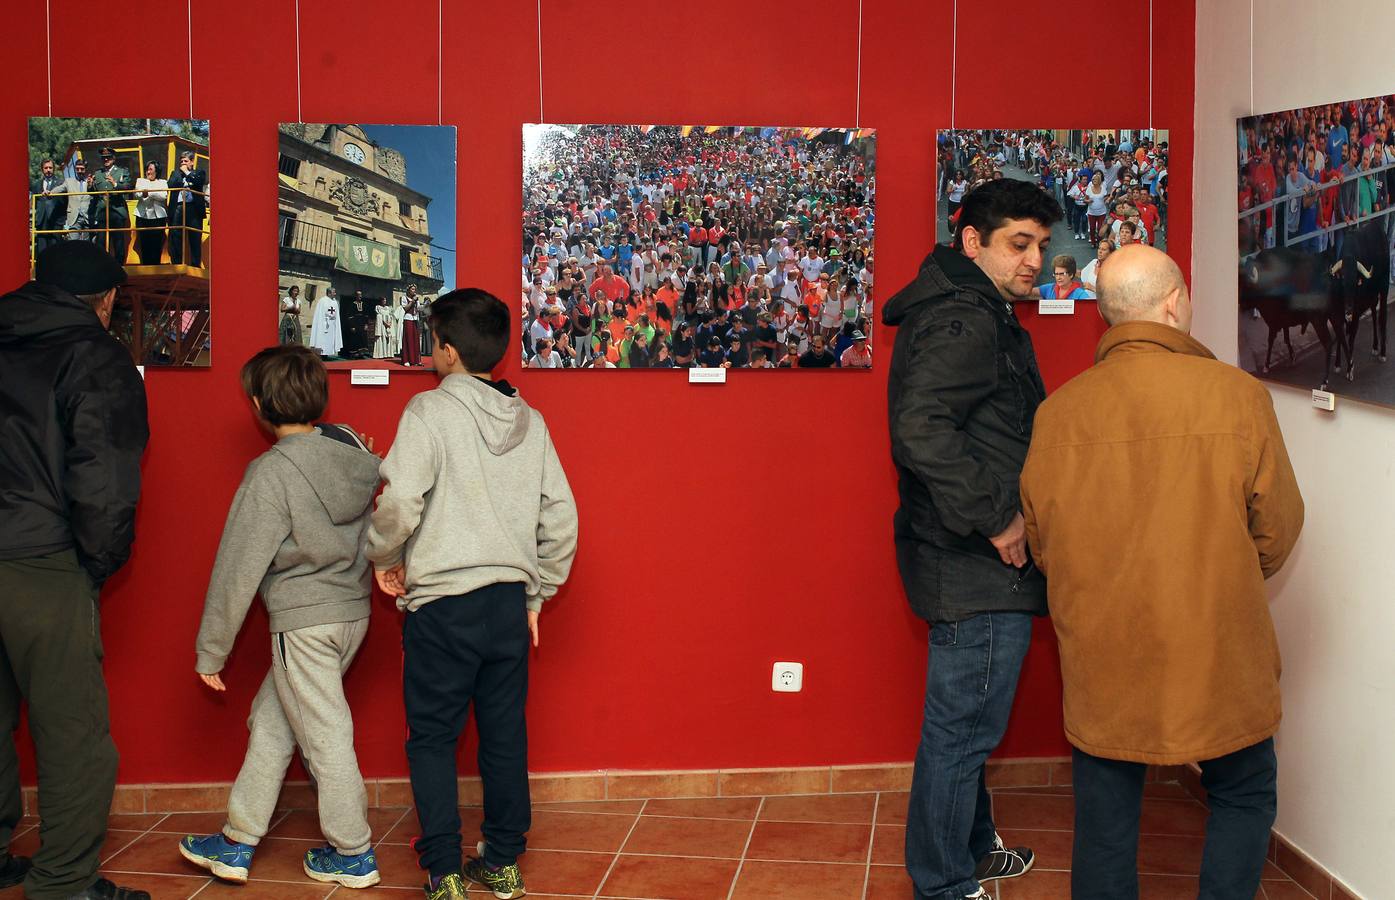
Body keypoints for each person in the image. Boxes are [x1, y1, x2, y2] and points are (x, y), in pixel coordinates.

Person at [1019, 245, 1304, 900]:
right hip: (1215, 641)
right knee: (1242, 792)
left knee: (1104, 816)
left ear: (1108, 318)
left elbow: (1042, 541)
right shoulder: (1235, 396)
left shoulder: (1058, 412)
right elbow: (1277, 527)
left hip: (1105, 645)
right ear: (1174, 302)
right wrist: (1218, 574)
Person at [367, 289, 578, 900]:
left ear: (449, 351)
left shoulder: (429, 412)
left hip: (443, 605)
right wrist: (540, 593)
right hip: (508, 605)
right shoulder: (531, 421)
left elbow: (401, 500)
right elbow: (561, 517)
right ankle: (504, 860)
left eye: (433, 341)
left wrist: (383, 557)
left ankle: (444, 872)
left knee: (432, 737)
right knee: (505, 734)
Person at [883, 179, 1061, 900]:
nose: (1034, 261)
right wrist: (998, 517)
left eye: (1042, 246)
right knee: (961, 732)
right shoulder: (965, 319)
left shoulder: (971, 308)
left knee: (969, 725)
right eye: (1019, 244)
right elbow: (920, 430)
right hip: (974, 557)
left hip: (964, 554)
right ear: (971, 242)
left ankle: (969, 850)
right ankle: (944, 883)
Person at [179, 346, 382, 889]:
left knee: (326, 738)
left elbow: (237, 568)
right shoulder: (353, 452)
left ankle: (354, 851)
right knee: (273, 723)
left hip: (303, 623)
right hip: (349, 618)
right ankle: (238, 840)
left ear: (256, 405)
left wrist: (211, 650)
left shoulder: (271, 474)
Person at [0, 241, 151, 900]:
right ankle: (63, 883)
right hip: (41, 561)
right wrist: (96, 562)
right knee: (72, 731)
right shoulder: (95, 355)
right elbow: (106, 475)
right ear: (108, 298)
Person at [88, 148, 132, 264]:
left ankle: (119, 267)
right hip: (102, 212)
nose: (106, 159)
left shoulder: (122, 171)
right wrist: (90, 186)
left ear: (114, 158)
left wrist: (115, 184)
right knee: (100, 242)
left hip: (117, 211)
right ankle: (102, 267)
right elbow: (94, 192)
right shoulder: (97, 173)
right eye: (103, 158)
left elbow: (128, 187)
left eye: (108, 157)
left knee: (118, 242)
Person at [167, 149, 208, 267]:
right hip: (178, 208)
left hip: (194, 209)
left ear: (191, 162)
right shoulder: (175, 173)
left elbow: (199, 181)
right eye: (181, 161)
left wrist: (188, 173)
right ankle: (177, 264)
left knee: (195, 238)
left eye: (185, 161)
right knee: (176, 237)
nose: (183, 164)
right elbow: (170, 184)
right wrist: (182, 174)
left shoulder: (199, 172)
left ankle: (196, 265)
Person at [132, 162, 168, 265]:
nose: (148, 172)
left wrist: (149, 192)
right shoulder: (140, 181)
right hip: (142, 217)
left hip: (158, 217)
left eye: (151, 169)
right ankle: (146, 265)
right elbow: (137, 194)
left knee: (156, 243)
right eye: (147, 169)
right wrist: (145, 193)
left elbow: (163, 196)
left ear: (157, 171)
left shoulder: (162, 182)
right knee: (144, 243)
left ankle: (156, 265)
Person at [31, 158, 68, 255]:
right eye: (46, 168)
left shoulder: (61, 183)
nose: (48, 170)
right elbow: (34, 204)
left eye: (50, 168)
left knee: (55, 252)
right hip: (41, 223)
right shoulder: (36, 185)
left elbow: (65, 202)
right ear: (42, 169)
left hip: (56, 222)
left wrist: (64, 222)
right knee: (42, 252)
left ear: (54, 169)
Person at [64, 158, 94, 240]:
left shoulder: (91, 182)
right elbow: (59, 189)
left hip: (87, 217)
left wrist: (91, 185)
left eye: (82, 169)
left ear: (86, 169)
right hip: (74, 218)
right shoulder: (69, 182)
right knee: (73, 243)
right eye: (77, 169)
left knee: (87, 245)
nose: (79, 171)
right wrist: (49, 192)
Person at [309, 288, 344, 358]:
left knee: (330, 340)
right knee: (323, 339)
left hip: (332, 325)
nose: (335, 294)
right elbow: (320, 314)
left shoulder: (335, 302)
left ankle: (327, 353)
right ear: (329, 293)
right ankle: (321, 354)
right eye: (334, 292)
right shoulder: (322, 301)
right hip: (323, 324)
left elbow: (335, 314)